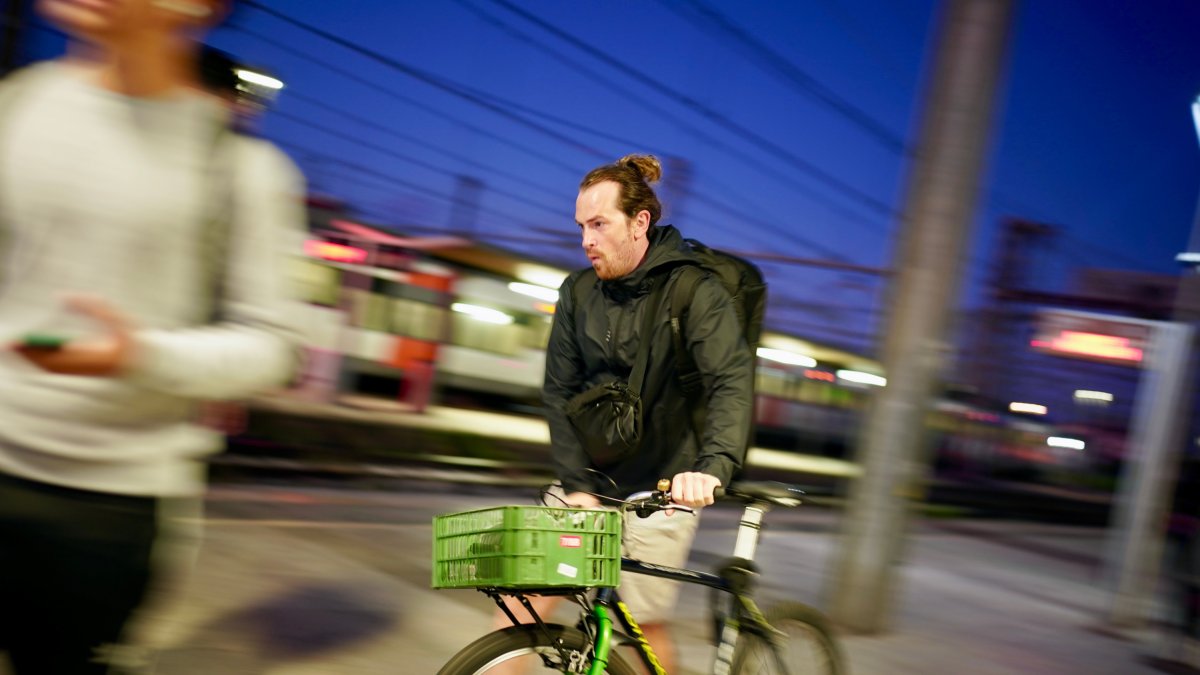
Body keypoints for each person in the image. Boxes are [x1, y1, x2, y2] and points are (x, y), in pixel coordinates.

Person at [0, 1, 306, 673]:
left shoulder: (243, 170)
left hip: (110, 504)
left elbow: (276, 345)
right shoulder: (15, 109)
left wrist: (139, 355)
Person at [495, 154, 755, 673]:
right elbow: (558, 390)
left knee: (641, 628)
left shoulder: (693, 290)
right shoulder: (578, 292)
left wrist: (710, 468)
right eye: (581, 227)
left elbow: (730, 379)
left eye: (599, 224)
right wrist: (575, 484)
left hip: (663, 486)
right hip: (590, 475)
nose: (586, 240)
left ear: (640, 222)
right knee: (522, 608)